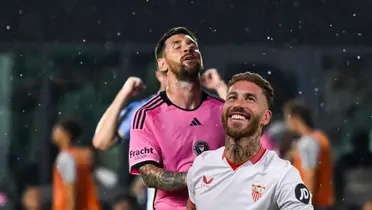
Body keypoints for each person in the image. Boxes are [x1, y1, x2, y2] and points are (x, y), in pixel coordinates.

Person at [126, 27, 226, 209]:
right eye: (177, 46)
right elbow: (149, 174)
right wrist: (195, 178)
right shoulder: (147, 115)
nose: (187, 49)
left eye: (192, 46)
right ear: (162, 64)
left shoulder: (223, 110)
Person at [186, 72, 314, 210]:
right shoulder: (202, 164)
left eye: (250, 99)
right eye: (232, 98)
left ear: (265, 117)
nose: (238, 104)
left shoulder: (282, 175)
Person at [283, 100, 334, 210]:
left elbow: (310, 175)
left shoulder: (307, 142)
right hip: (323, 202)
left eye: (287, 118)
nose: (287, 123)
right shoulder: (320, 137)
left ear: (295, 117)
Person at [52, 118, 100, 210]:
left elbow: (71, 190)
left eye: (57, 130)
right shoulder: (79, 157)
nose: (54, 133)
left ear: (66, 134)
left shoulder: (65, 158)